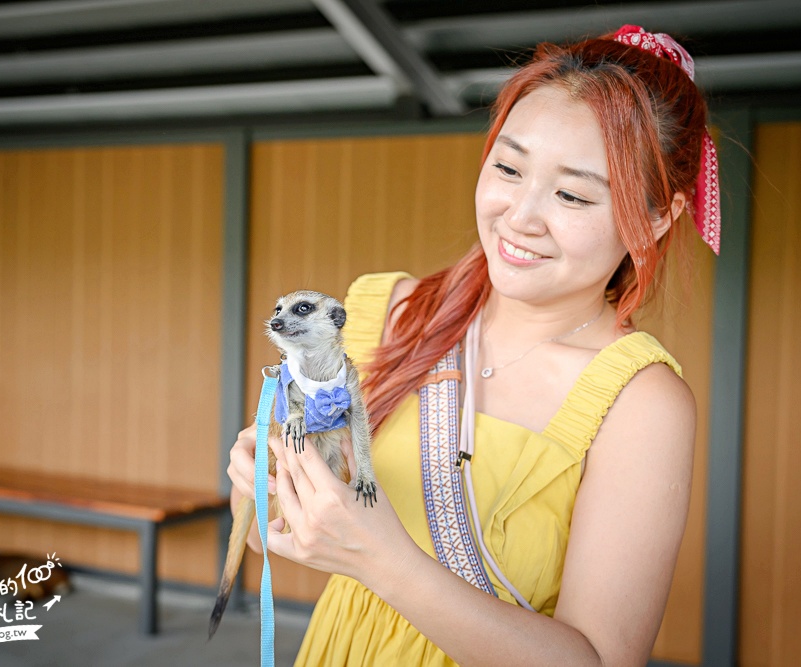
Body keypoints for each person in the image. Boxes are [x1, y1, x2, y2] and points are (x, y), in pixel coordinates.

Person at [227, 25, 719, 666]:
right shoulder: (391, 314)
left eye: (572, 194)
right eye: (509, 168)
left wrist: (382, 558)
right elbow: (268, 535)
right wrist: (263, 481)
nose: (520, 216)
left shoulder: (640, 403)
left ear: (656, 218)